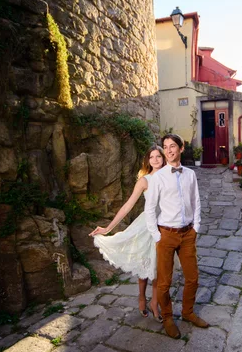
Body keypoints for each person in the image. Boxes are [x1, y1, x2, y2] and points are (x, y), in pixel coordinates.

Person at [89, 145, 165, 322]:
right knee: (145, 265)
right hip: (147, 225)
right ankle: (141, 297)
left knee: (159, 269)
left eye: (158, 156)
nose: (155, 160)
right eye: (152, 157)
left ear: (163, 158)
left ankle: (155, 302)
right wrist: (108, 228)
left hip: (166, 225)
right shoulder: (145, 181)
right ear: (148, 160)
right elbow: (127, 206)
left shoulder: (170, 177)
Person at [144, 134, 209, 339]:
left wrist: (196, 227)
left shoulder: (190, 174)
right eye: (165, 147)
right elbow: (150, 209)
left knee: (193, 278)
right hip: (166, 235)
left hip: (187, 233)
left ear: (181, 148)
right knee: (164, 283)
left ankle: (188, 312)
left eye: (173, 146)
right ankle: (169, 318)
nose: (169, 150)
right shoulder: (158, 177)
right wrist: (157, 236)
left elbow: (196, 201)